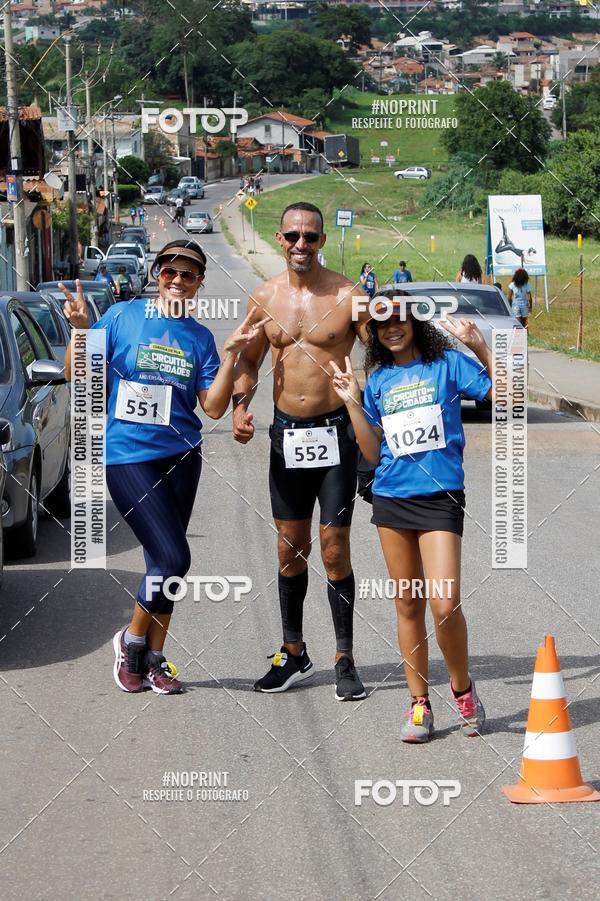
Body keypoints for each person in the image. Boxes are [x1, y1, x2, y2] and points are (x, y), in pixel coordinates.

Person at [60, 240, 267, 694]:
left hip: (181, 456)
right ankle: (132, 642)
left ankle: (155, 658)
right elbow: (80, 374)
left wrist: (231, 353)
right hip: (127, 455)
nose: (177, 280)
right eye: (169, 272)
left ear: (198, 285)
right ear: (157, 274)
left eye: (188, 275)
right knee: (175, 556)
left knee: (163, 562)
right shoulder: (121, 317)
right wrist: (80, 330)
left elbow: (212, 408)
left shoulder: (199, 339)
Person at [330, 290, 492, 742]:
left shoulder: (447, 365)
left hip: (440, 497)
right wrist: (351, 400)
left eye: (400, 319)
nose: (393, 328)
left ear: (414, 322)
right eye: (383, 324)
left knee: (444, 603)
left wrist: (477, 345)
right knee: (407, 602)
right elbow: (371, 450)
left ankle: (462, 688)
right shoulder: (378, 380)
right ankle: (419, 705)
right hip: (392, 499)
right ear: (376, 334)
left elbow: (506, 394)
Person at [232, 202, 368, 701]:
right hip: (287, 435)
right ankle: (293, 651)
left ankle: (344, 658)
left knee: (334, 552)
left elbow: (382, 351)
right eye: (292, 236)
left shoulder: (349, 295)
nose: (301, 245)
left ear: (323, 240)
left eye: (311, 236)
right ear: (280, 237)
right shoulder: (265, 296)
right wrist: (241, 407)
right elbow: (248, 358)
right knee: (290, 549)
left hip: (337, 435)